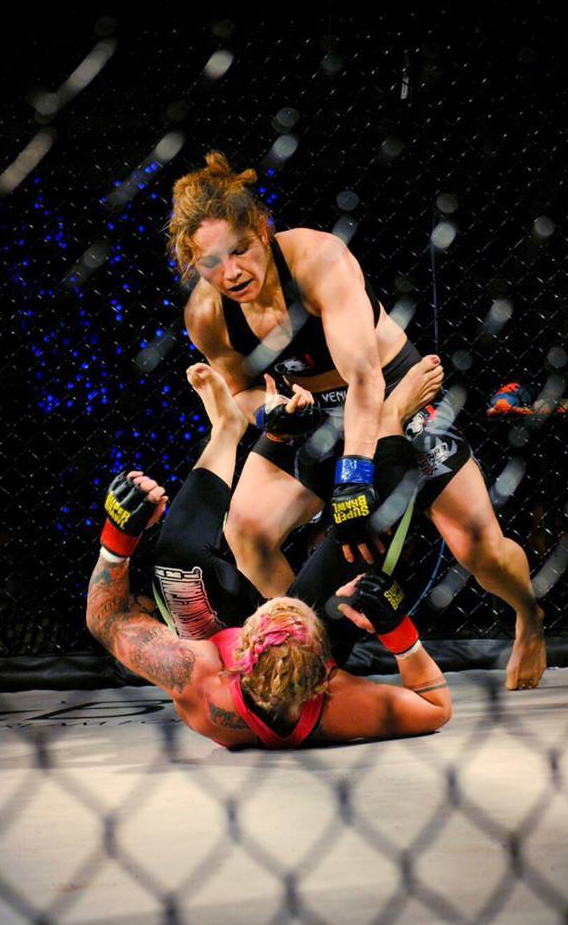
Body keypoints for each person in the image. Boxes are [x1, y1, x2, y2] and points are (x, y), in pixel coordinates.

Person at [169, 151, 546, 690]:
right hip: (313, 411)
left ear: (262, 231)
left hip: (392, 390)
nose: (231, 272)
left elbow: (365, 378)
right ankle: (317, 663)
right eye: (210, 262)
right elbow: (243, 389)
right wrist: (273, 415)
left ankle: (529, 614)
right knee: (246, 530)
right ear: (192, 261)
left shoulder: (318, 259)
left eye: (240, 250)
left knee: (479, 550)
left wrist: (353, 476)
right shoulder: (206, 315)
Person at [86, 369, 452, 749]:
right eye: (291, 613)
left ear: (243, 649)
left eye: (271, 614)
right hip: (308, 649)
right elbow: (436, 707)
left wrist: (117, 539)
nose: (277, 604)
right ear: (324, 672)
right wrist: (398, 631)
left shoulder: (199, 678)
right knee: (362, 528)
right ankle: (391, 418)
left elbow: (106, 619)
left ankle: (227, 429)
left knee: (177, 566)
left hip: (220, 644)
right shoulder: (340, 703)